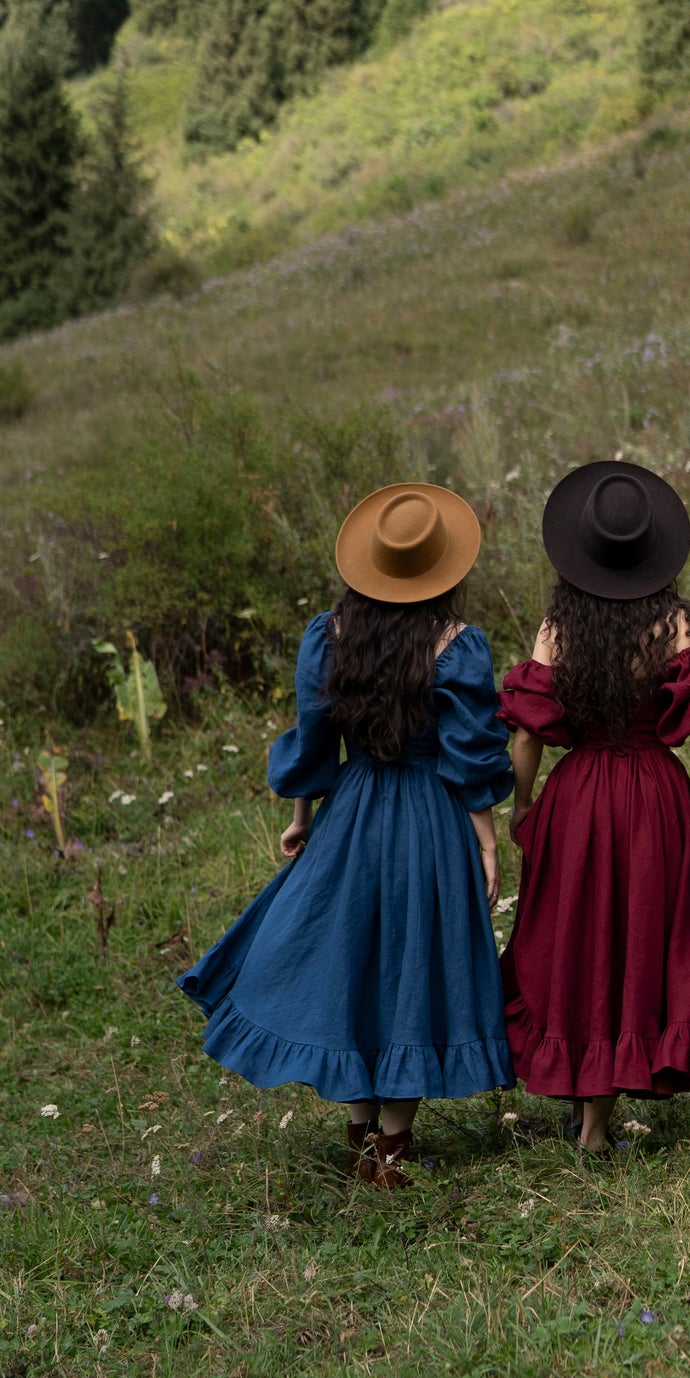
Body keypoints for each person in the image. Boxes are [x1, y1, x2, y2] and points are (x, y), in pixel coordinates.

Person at [179, 483, 514, 1188]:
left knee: (350, 965)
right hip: (430, 818)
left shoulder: (328, 635)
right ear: (443, 567)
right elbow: (469, 755)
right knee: (410, 971)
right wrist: (486, 841)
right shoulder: (457, 646)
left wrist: (302, 820)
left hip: (353, 812)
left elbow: (312, 744)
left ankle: (360, 1139)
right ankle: (391, 1153)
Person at [498, 461, 690, 1155]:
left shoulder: (556, 625)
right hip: (653, 802)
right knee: (635, 943)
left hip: (578, 798)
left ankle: (583, 1100)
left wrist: (522, 805)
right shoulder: (670, 623)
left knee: (579, 941)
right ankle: (594, 1133)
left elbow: (526, 732)